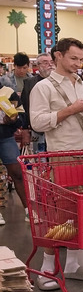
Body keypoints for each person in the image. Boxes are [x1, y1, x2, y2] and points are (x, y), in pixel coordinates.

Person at [29, 38, 83, 290]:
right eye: (74, 58)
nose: (78, 63)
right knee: (61, 214)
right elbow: (38, 123)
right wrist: (70, 110)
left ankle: (72, 265)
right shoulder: (43, 88)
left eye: (81, 59)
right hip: (65, 156)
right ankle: (47, 268)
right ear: (58, 56)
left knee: (81, 214)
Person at [20, 52, 55, 154]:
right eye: (45, 62)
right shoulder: (30, 83)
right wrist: (25, 129)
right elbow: (25, 107)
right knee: (40, 158)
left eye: (51, 62)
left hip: (57, 126)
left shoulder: (59, 81)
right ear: (38, 66)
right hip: (37, 128)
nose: (49, 64)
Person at [0, 91, 24, 226]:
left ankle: (29, 211)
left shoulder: (8, 92)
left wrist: (14, 119)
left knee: (18, 173)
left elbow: (22, 118)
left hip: (6, 138)